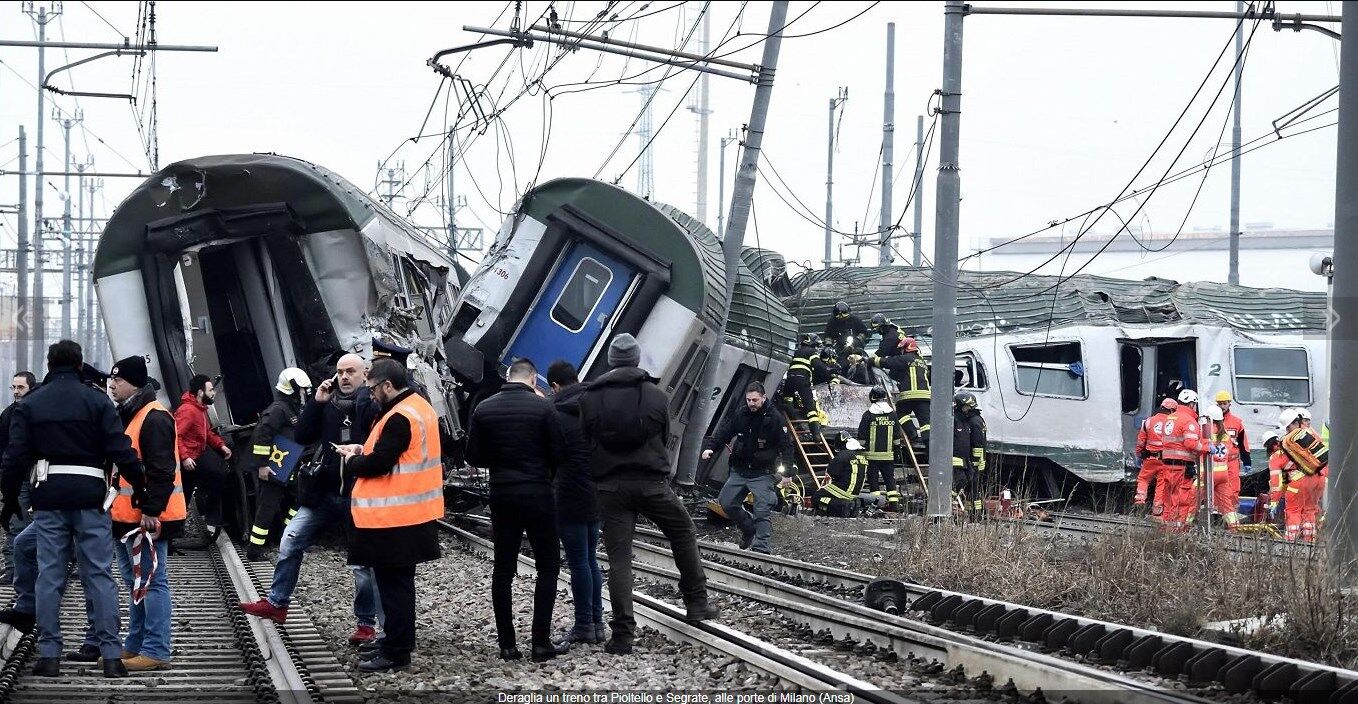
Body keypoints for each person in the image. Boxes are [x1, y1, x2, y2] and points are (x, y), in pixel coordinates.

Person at [0, 340, 142, 678]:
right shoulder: (97, 401)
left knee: (49, 574)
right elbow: (121, 450)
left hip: (48, 498)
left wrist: (7, 501)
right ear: (80, 365)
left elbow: (15, 456)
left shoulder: (31, 404)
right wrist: (143, 490)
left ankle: (49, 655)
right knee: (98, 574)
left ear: (49, 365)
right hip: (91, 498)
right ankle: (110, 656)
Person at [580, 333, 718, 655]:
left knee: (619, 559)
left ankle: (623, 636)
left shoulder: (589, 398)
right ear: (636, 360)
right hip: (651, 484)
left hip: (610, 488)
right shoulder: (656, 396)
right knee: (683, 532)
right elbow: (665, 435)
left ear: (612, 361)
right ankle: (697, 602)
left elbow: (586, 441)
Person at [240, 354, 382, 647]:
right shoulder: (328, 405)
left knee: (362, 564)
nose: (344, 377)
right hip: (325, 491)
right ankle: (277, 603)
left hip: (359, 494)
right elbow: (303, 435)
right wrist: (317, 403)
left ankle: (366, 624)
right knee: (291, 539)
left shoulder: (372, 405)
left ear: (363, 375)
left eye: (350, 372)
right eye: (340, 372)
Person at [336, 358, 443, 673]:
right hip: (410, 515)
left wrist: (353, 462)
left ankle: (397, 651)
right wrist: (363, 451)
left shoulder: (399, 417)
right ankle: (395, 641)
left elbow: (380, 463)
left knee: (394, 588)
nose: (369, 394)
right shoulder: (418, 408)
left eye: (372, 389)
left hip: (395, 519)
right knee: (399, 585)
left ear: (386, 385)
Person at [465, 358, 568, 663]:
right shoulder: (545, 407)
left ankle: (507, 645)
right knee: (548, 567)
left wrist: (500, 460)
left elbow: (473, 457)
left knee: (504, 568)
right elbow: (559, 452)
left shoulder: (484, 408)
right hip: (538, 494)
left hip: (502, 495)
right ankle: (540, 643)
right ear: (534, 381)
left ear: (508, 377)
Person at [107, 356, 184, 672]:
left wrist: (152, 511)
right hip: (126, 516)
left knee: (152, 582)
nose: (113, 385)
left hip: (146, 517)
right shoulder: (134, 414)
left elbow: (162, 470)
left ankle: (156, 649)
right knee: (135, 582)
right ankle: (135, 645)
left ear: (134, 383)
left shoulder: (153, 418)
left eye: (118, 380)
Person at [546, 360, 605, 646]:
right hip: (596, 489)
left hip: (569, 492)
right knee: (591, 559)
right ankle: (597, 624)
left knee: (578, 561)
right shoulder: (596, 405)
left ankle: (584, 624)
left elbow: (551, 456)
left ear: (555, 386)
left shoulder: (557, 413)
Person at [703, 381, 792, 554]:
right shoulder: (741, 414)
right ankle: (748, 527)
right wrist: (711, 448)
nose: (751, 403)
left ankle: (761, 548)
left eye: (755, 400)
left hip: (762, 472)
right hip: (740, 469)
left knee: (762, 508)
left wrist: (788, 473)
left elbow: (787, 446)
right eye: (749, 400)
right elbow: (725, 432)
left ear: (763, 398)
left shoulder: (775, 419)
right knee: (726, 503)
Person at [245, 368, 311, 562]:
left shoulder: (290, 408)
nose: (305, 393)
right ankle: (254, 550)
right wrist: (262, 465)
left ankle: (285, 536)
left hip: (288, 467)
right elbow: (261, 436)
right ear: (292, 387)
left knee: (298, 501)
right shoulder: (277, 409)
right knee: (267, 507)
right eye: (302, 389)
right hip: (275, 467)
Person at [175, 374, 233, 541]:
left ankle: (208, 519)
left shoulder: (199, 409)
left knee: (216, 474)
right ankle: (174, 532)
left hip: (195, 455)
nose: (214, 392)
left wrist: (220, 445)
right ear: (201, 392)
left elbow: (206, 432)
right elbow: (176, 435)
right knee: (214, 476)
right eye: (211, 390)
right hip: (190, 459)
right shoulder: (188, 411)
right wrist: (185, 458)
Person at [1, 371, 38, 582]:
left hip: (39, 476)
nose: (16, 391)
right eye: (13, 387)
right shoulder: (8, 415)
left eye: (20, 387)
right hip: (22, 478)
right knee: (17, 524)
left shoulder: (37, 412)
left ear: (30, 388)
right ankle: (13, 569)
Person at [867, 336, 931, 445]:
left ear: (906, 348)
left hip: (909, 395)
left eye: (902, 349)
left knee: (901, 414)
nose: (900, 351)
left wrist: (872, 360)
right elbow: (898, 374)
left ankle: (913, 435)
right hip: (925, 397)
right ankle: (928, 443)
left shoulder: (906, 359)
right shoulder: (922, 362)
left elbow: (888, 362)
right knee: (926, 423)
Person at [1278, 408, 1327, 542]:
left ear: (1295, 423)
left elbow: (1284, 465)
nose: (1287, 430)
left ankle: (1290, 542)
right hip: (1320, 478)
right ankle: (1309, 540)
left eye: (1288, 427)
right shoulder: (1313, 434)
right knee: (1310, 510)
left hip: (1302, 479)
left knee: (1293, 510)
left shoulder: (1289, 440)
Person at [1159, 389, 1204, 532]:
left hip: (1167, 465)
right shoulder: (1189, 421)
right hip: (1182, 467)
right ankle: (1177, 532)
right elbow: (1190, 444)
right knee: (1181, 499)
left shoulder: (1169, 418)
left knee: (1168, 498)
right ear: (1192, 404)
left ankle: (1166, 528)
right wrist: (1207, 448)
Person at [857, 386, 901, 511]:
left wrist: (859, 451)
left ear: (872, 397)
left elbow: (862, 436)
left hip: (871, 456)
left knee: (873, 480)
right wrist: (896, 452)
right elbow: (897, 436)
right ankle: (894, 505)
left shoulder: (868, 415)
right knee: (890, 479)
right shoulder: (892, 414)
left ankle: (875, 505)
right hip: (888, 456)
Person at [1134, 398, 1177, 518]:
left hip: (1150, 458)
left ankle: (1140, 500)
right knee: (1161, 484)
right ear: (1172, 410)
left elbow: (1141, 441)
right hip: (1165, 460)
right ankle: (1157, 511)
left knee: (1143, 479)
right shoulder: (1172, 423)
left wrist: (1139, 454)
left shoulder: (1148, 421)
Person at [778, 334, 828, 437]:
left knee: (787, 400)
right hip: (802, 381)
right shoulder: (812, 352)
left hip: (790, 380)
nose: (817, 348)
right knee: (810, 406)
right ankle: (816, 433)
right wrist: (829, 370)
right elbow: (818, 366)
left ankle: (795, 421)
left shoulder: (795, 352)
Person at [1202, 405, 1242, 528]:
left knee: (1191, 498)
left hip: (1208, 473)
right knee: (1227, 505)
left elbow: (1198, 449)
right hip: (1223, 474)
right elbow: (1231, 454)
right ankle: (1235, 528)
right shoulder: (1225, 435)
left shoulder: (1205, 432)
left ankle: (1183, 526)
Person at [951, 391, 987, 520]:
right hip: (974, 461)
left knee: (973, 488)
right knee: (972, 489)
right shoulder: (976, 419)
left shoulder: (974, 421)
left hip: (974, 461)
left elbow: (977, 443)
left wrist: (974, 461)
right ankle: (976, 514)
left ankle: (977, 515)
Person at [815, 434, 867, 517]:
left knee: (817, 498)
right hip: (855, 493)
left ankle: (842, 506)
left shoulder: (843, 455)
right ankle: (851, 506)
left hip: (842, 490)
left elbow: (832, 472)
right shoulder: (861, 455)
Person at [1214, 391, 1252, 476]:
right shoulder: (1211, 422)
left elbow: (1243, 444)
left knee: (1234, 488)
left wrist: (1247, 461)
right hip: (1215, 463)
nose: (1222, 406)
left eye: (1224, 403)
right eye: (1220, 404)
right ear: (1217, 405)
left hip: (1232, 463)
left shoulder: (1236, 423)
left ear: (1229, 404)